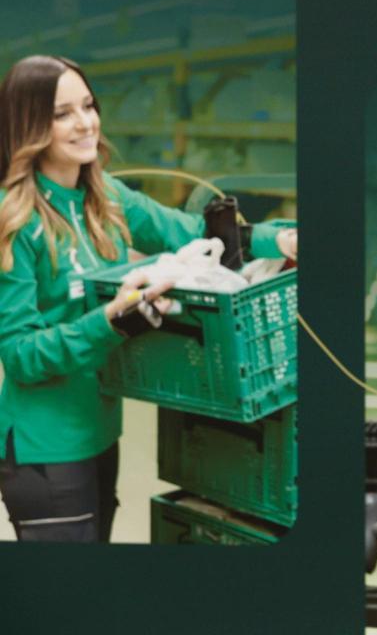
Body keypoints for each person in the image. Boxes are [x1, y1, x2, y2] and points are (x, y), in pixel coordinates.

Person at [0, 55, 298, 542]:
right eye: (62, 114)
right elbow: (20, 356)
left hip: (99, 431)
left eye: (89, 106)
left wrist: (277, 240)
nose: (85, 123)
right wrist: (111, 321)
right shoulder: (13, 220)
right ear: (29, 125)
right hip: (44, 445)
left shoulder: (107, 198)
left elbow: (188, 232)